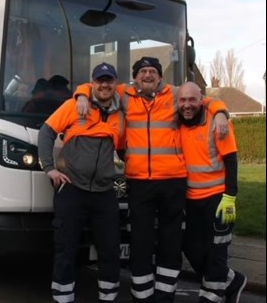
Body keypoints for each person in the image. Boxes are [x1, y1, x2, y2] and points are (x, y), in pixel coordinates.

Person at [74, 57, 229, 302]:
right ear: (135, 77)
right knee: (141, 242)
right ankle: (142, 296)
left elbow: (201, 97)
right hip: (139, 183)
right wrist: (81, 96)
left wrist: (220, 112)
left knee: (170, 242)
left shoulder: (175, 93)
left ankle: (165, 296)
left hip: (173, 182)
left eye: (153, 71)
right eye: (143, 71)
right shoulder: (125, 94)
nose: (148, 75)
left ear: (159, 76)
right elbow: (93, 86)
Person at [38, 63, 124, 302]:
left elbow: (124, 149)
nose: (104, 85)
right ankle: (63, 298)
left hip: (105, 192)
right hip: (72, 189)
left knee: (109, 250)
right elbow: (46, 132)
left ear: (116, 83)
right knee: (66, 249)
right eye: (99, 81)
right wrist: (49, 168)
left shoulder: (121, 114)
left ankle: (108, 298)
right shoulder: (73, 106)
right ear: (92, 83)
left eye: (109, 80)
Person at [177, 82, 247, 303]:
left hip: (218, 199)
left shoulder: (218, 124)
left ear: (201, 100)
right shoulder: (177, 122)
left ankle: (211, 298)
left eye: (192, 100)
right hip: (191, 201)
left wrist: (230, 197)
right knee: (191, 249)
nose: (187, 105)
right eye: (183, 100)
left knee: (216, 252)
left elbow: (231, 160)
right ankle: (232, 280)